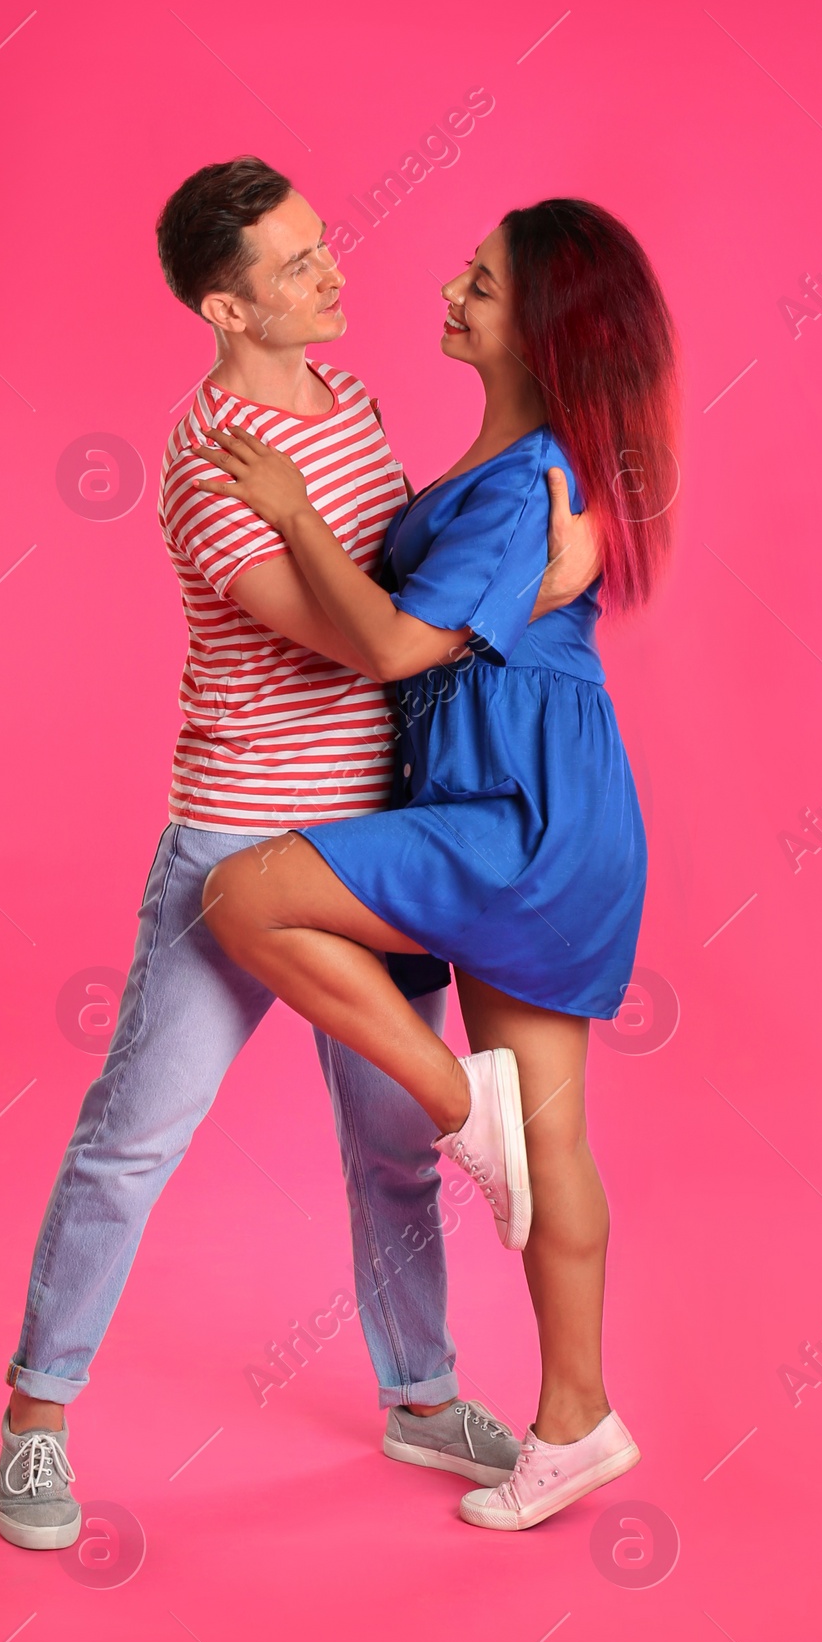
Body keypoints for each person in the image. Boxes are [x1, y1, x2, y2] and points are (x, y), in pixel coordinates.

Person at [0, 158, 601, 1548]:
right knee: (132, 1145)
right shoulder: (213, 470)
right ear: (225, 308)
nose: (335, 275)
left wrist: (541, 574)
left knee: (390, 1147)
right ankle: (38, 1419)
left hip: (379, 838)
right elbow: (359, 634)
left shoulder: (353, 403)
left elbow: (414, 574)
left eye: (325, 246)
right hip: (242, 840)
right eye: (295, 266)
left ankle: (421, 1395)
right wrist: (505, 601)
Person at [199, 197, 678, 1533]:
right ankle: (576, 1423)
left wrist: (292, 512)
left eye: (485, 282)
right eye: (467, 269)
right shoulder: (526, 466)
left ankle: (459, 1113)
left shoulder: (528, 488)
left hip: (516, 812)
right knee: (560, 1138)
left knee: (241, 894)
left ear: (548, 330)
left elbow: (400, 651)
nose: (455, 291)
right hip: (542, 806)